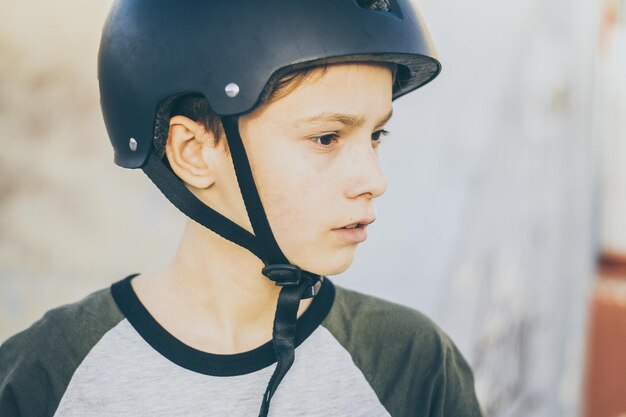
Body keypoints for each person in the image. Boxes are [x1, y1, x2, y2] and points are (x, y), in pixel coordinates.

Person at [0, 0, 483, 416]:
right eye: (326, 137)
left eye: (376, 135)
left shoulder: (413, 363)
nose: (374, 181)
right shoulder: (45, 375)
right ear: (193, 151)